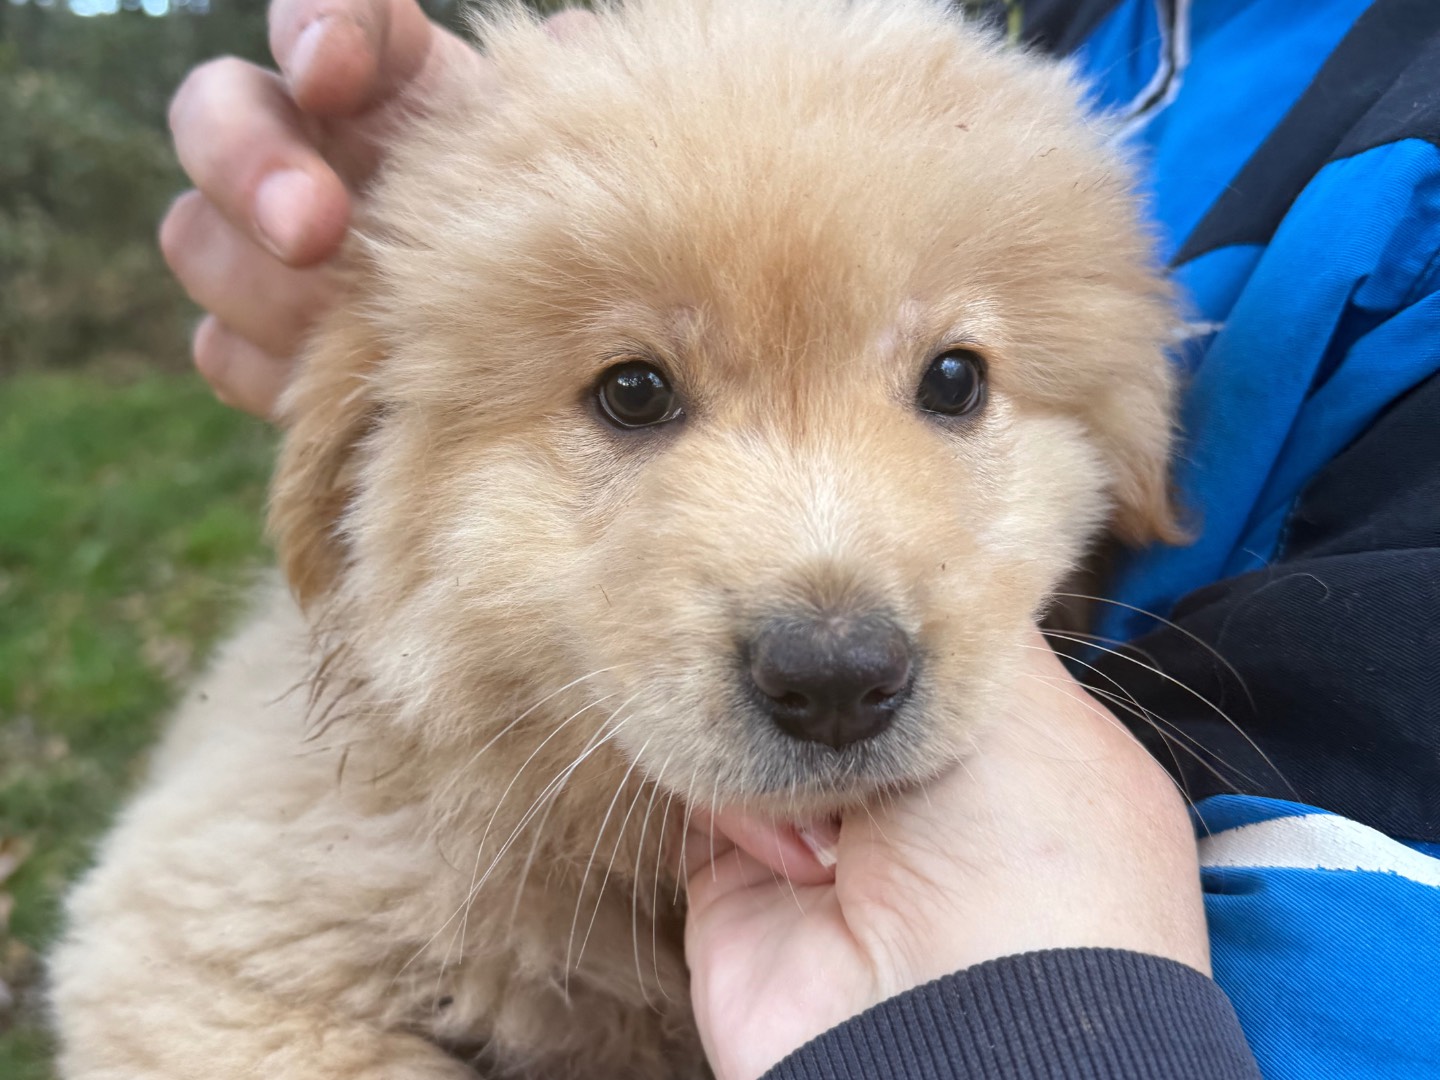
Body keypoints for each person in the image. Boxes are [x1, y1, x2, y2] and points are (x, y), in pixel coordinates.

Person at [159, 0, 1440, 1077]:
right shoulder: (374, 856)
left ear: (1134, 436)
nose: (829, 631)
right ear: (352, 462)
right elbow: (183, 1002)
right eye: (632, 392)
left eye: (951, 381)